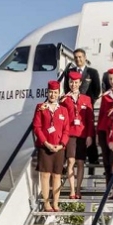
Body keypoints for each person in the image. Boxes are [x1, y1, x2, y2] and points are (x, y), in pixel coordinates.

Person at [32, 80, 70, 212]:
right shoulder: (41, 108)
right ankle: (46, 203)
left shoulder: (63, 110)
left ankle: (56, 203)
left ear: (59, 94)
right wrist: (46, 143)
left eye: (55, 92)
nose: (53, 95)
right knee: (45, 175)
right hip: (45, 147)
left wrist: (62, 145)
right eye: (50, 92)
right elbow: (37, 127)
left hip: (59, 148)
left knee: (57, 175)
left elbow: (66, 130)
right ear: (47, 93)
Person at [64, 48, 101, 165]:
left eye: (80, 57)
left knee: (89, 131)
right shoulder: (68, 72)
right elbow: (66, 88)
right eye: (76, 57)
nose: (78, 59)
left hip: (86, 107)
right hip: (73, 106)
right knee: (72, 133)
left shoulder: (92, 72)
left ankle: (93, 158)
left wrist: (89, 102)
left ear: (85, 58)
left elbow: (97, 90)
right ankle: (70, 157)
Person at [61, 71, 94, 199]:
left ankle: (78, 189)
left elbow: (90, 120)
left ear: (80, 83)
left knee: (80, 163)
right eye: (71, 82)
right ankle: (72, 190)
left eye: (76, 82)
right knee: (70, 161)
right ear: (68, 83)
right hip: (70, 134)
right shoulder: (64, 99)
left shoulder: (86, 99)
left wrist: (90, 136)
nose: (73, 84)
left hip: (82, 134)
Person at [97, 68, 113, 192]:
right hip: (104, 131)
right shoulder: (106, 96)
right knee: (106, 163)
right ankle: (110, 189)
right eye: (110, 79)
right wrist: (98, 133)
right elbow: (101, 115)